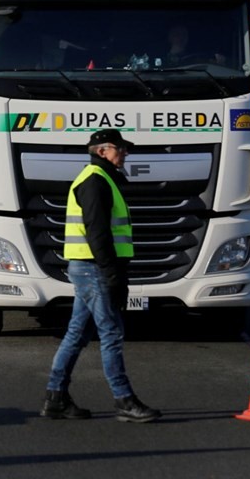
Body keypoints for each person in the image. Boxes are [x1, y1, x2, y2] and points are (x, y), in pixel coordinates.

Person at [41, 128, 162, 423]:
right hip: (93, 267)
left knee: (77, 333)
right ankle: (124, 400)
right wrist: (112, 275)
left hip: (90, 266)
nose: (126, 153)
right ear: (103, 151)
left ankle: (55, 398)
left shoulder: (101, 178)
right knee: (111, 332)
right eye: (121, 148)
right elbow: (98, 234)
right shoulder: (95, 181)